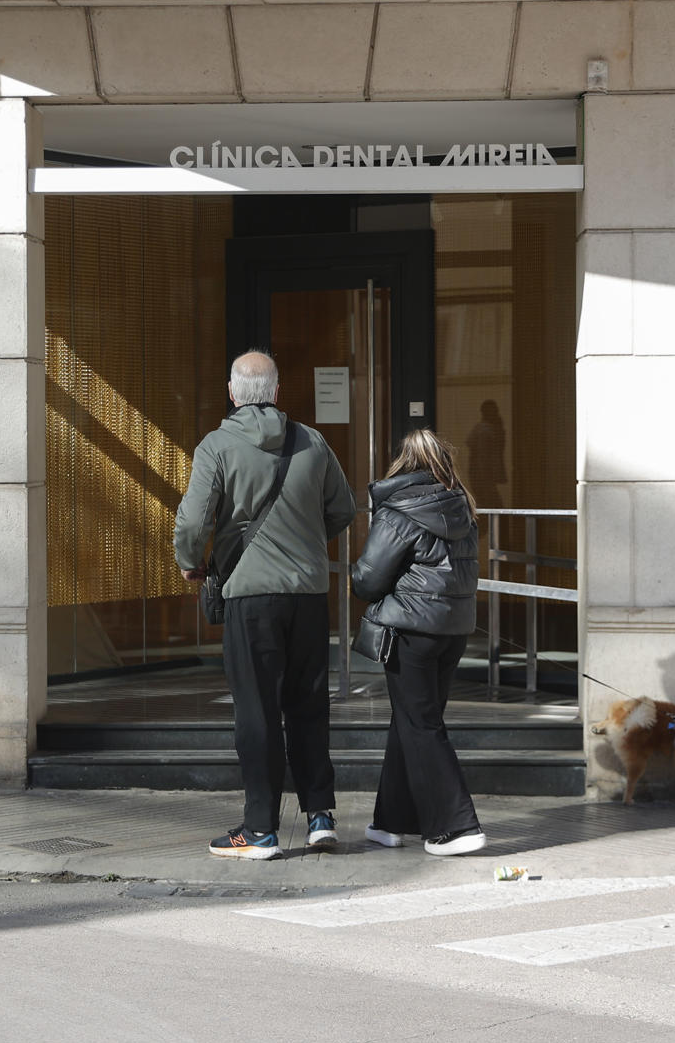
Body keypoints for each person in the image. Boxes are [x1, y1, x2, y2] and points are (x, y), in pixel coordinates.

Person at [174, 350, 356, 860]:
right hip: (308, 595)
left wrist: (190, 562)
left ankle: (260, 830)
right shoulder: (313, 442)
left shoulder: (216, 446)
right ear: (276, 393)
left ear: (232, 394)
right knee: (309, 705)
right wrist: (305, 543)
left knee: (256, 710)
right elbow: (342, 509)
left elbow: (193, 522)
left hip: (250, 597)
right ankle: (320, 817)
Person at [350, 429, 487, 855]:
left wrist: (357, 576)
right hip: (453, 632)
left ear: (402, 463)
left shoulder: (398, 511)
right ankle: (390, 822)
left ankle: (456, 827)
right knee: (410, 722)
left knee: (421, 725)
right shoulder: (462, 507)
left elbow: (368, 579)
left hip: (411, 632)